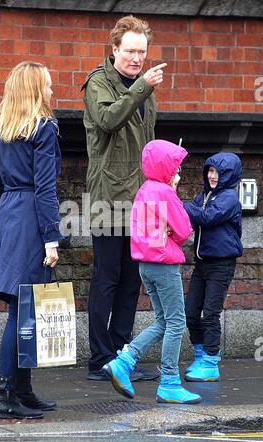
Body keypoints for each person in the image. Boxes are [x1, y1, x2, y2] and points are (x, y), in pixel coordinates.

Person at [82, 15, 167, 382]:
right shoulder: (98, 83)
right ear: (114, 49)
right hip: (108, 197)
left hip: (142, 199)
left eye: (142, 52)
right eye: (130, 50)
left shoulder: (144, 87)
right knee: (107, 279)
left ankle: (122, 357)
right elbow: (108, 120)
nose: (136, 58)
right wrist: (140, 89)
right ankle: (99, 358)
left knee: (133, 282)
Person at [0, 61, 64, 419]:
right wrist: (51, 238)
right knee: (22, 311)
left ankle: (22, 390)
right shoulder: (44, 128)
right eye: (47, 86)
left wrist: (11, 209)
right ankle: (5, 396)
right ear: (34, 90)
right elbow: (46, 188)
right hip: (32, 218)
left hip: (9, 216)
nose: (51, 92)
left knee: (24, 308)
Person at [102, 139, 202, 404]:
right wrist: (174, 197)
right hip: (164, 264)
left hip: (145, 265)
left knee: (163, 322)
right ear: (165, 167)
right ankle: (169, 381)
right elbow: (183, 229)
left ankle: (123, 361)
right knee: (177, 322)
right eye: (176, 167)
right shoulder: (165, 192)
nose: (178, 172)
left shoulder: (144, 189)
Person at [183, 152, 243, 382]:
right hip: (203, 263)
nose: (213, 176)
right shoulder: (204, 196)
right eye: (210, 171)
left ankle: (210, 363)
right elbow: (190, 216)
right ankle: (199, 354)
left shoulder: (229, 198)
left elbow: (208, 217)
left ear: (228, 174)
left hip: (221, 264)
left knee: (210, 314)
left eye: (217, 172)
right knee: (190, 313)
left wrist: (186, 207)